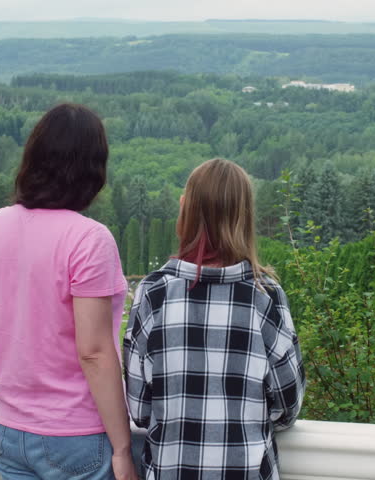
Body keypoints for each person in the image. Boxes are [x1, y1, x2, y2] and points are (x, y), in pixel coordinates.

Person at [0, 103, 137, 480]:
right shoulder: (89, 239)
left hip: (10, 431)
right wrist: (123, 448)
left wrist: (26, 379)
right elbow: (93, 352)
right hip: (75, 436)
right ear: (93, 167)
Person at [124, 158, 305, 480]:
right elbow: (287, 406)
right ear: (244, 217)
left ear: (185, 210)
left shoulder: (153, 294)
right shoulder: (265, 297)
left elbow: (139, 408)